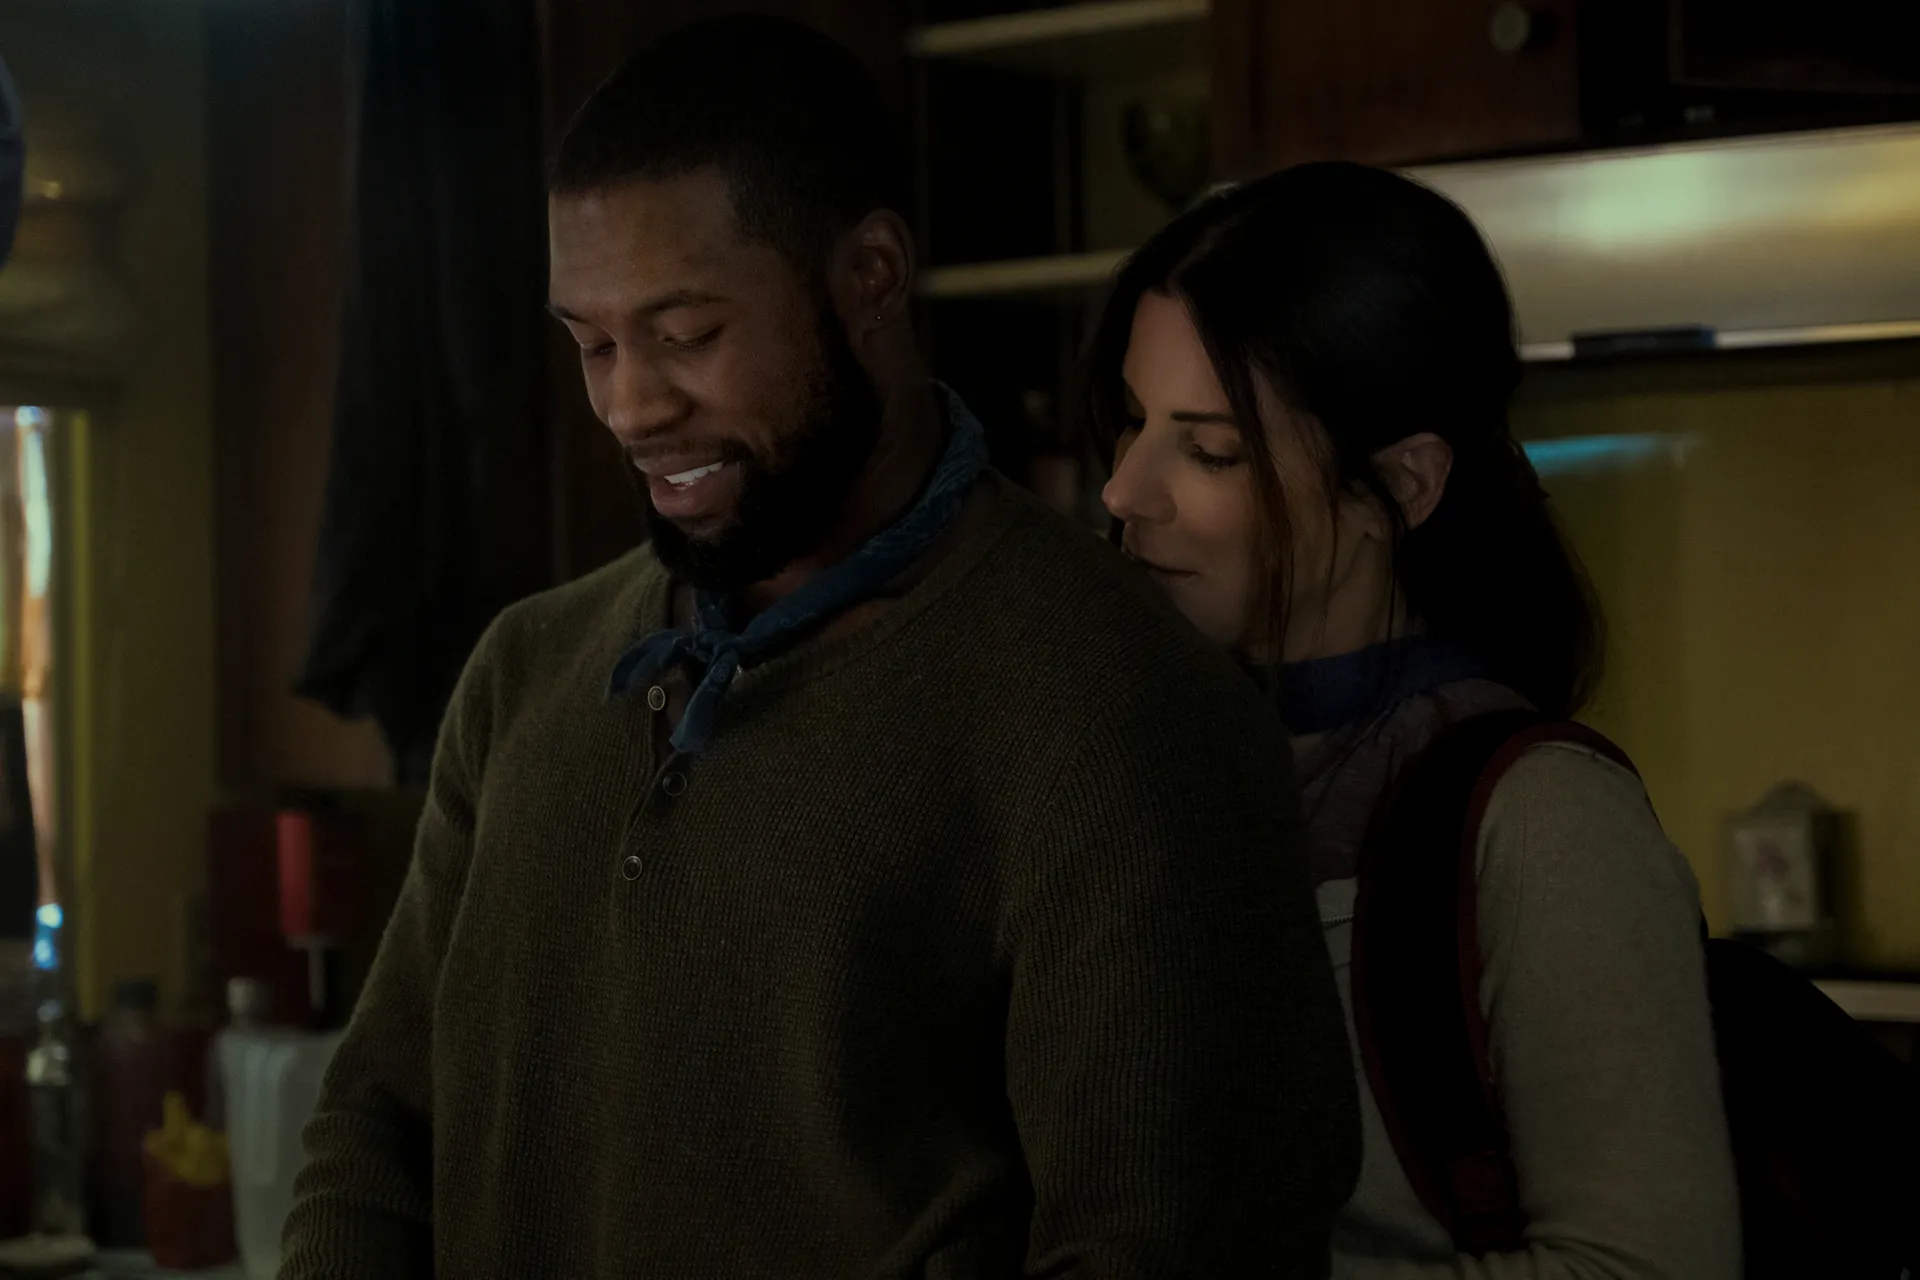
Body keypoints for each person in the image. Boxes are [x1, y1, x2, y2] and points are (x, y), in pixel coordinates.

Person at [281, 17, 1360, 1279]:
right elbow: (376, 1125)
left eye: (688, 335)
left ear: (872, 276)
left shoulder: (1124, 711)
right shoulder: (524, 672)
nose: (631, 404)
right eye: (594, 343)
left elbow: (1171, 1249)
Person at [1089, 162, 1742, 1279]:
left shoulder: (1541, 818)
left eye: (1210, 450)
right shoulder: (1133, 763)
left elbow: (1646, 1265)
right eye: (1132, 423)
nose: (1123, 491)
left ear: (1401, 487)